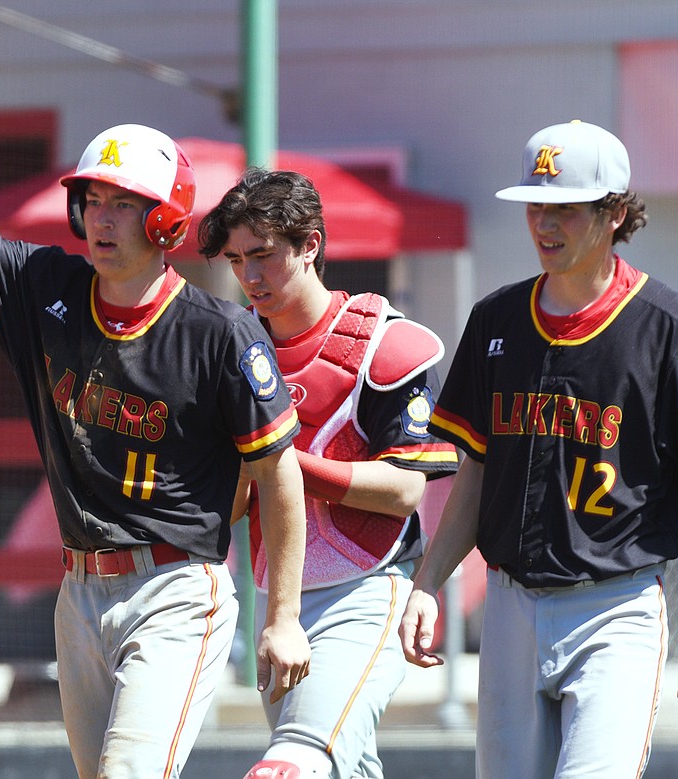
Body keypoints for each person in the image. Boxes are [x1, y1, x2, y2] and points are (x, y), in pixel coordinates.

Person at [0, 17, 311, 778]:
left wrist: (281, 616)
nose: (101, 217)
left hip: (177, 586)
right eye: (92, 199)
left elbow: (279, 473)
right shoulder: (45, 285)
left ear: (165, 219)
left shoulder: (220, 333)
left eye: (124, 202)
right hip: (78, 590)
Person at [399, 119, 671, 779]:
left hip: (616, 604)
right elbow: (475, 471)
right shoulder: (496, 318)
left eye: (566, 209)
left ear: (613, 214)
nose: (545, 224)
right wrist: (429, 580)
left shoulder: (661, 327)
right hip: (510, 604)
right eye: (536, 207)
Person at [198, 169, 459, 779]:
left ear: (310, 245)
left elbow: (405, 490)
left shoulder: (381, 342)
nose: (249, 277)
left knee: (293, 763)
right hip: (276, 600)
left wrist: (282, 463)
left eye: (262, 255)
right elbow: (234, 505)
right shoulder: (231, 349)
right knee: (342, 764)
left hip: (367, 592)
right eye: (236, 261)